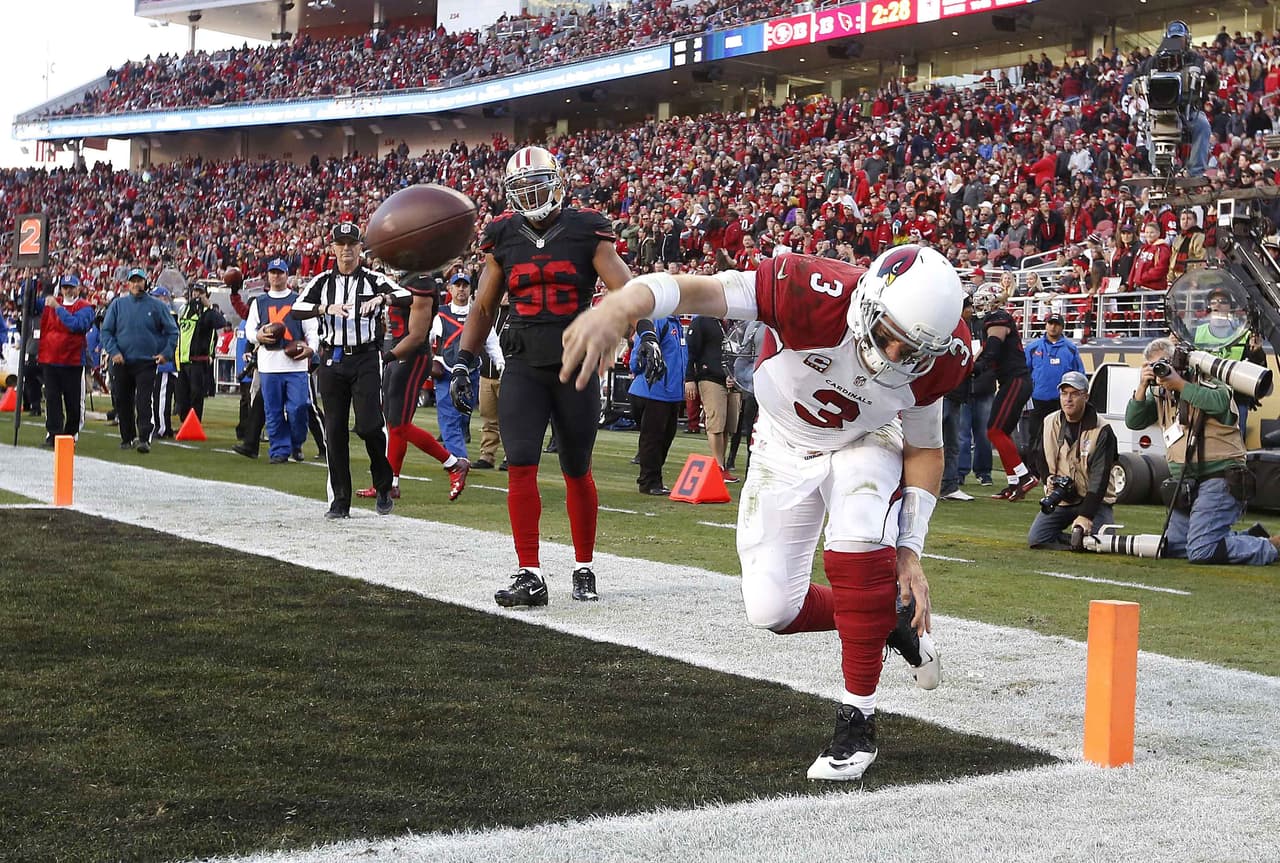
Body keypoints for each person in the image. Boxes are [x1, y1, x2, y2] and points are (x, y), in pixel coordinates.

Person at [560, 244, 970, 782]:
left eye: (912, 349)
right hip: (781, 441)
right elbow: (693, 290)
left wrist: (910, 550)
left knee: (859, 542)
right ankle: (882, 618)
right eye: (889, 334)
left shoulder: (945, 355)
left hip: (866, 440)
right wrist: (620, 307)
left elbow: (925, 449)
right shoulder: (808, 290)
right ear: (867, 302)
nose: (894, 355)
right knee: (772, 609)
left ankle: (858, 720)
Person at [452, 145, 635, 607]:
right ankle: (529, 572)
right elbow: (483, 306)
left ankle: (584, 565)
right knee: (520, 463)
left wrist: (647, 331)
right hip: (523, 363)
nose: (532, 196)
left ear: (558, 182)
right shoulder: (503, 236)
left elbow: (627, 290)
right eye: (523, 188)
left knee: (576, 467)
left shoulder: (584, 229)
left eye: (539, 185)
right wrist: (464, 359)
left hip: (576, 364)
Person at [290, 222, 411, 519]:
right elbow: (297, 309)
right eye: (340, 244)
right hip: (332, 359)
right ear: (332, 248)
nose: (346, 249)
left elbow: (406, 296)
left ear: (360, 248)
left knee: (369, 425)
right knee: (334, 432)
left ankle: (382, 483)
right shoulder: (321, 282)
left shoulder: (373, 279)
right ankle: (340, 500)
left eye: (351, 244)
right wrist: (324, 309)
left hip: (366, 357)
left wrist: (381, 299)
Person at [1125, 337, 1279, 564]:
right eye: (1153, 366)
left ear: (1178, 361)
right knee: (1174, 546)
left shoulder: (1207, 378)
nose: (1161, 370)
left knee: (1201, 551)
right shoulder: (1160, 393)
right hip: (1186, 482)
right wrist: (1142, 386)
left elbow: (1220, 404)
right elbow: (1133, 421)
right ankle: (1248, 538)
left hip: (1221, 476)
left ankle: (1271, 547)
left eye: (1164, 363)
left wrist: (1180, 384)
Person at [356, 271, 471, 501]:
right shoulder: (403, 280)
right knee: (393, 424)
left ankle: (453, 463)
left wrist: (386, 357)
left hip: (411, 357)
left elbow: (417, 336)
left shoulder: (422, 284)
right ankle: (390, 483)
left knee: (400, 426)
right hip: (397, 354)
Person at [1027, 371, 1120, 549]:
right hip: (1063, 499)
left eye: (1074, 394)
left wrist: (1086, 515)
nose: (1068, 399)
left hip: (1093, 499)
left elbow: (1100, 479)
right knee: (1036, 539)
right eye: (1064, 393)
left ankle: (1083, 538)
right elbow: (1040, 456)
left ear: (1086, 396)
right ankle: (1076, 542)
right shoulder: (1049, 422)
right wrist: (1048, 479)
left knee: (1101, 544)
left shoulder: (1102, 430)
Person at [246, 258, 320, 464]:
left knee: (298, 408)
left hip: (294, 362)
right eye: (273, 272)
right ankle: (279, 450)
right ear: (268, 275)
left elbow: (312, 330)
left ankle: (296, 442)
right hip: (269, 362)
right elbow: (250, 330)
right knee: (273, 410)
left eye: (280, 272)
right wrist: (258, 337)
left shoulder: (299, 300)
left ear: (287, 275)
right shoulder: (259, 302)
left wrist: (311, 348)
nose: (276, 276)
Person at [99, 269, 179, 454]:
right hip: (122, 361)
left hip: (146, 362)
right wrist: (113, 351)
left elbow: (172, 331)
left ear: (145, 282)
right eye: (133, 281)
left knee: (144, 401)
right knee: (123, 401)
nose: (136, 284)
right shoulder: (118, 305)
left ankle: (144, 438)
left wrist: (165, 353)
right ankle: (127, 437)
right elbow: (107, 331)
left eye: (139, 281)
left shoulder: (157, 306)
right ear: (128, 284)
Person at [971, 285, 1037, 500]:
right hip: (1011, 381)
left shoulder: (998, 317)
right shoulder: (990, 321)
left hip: (1015, 380)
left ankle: (1024, 476)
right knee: (1000, 432)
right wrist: (970, 366)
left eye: (983, 300)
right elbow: (984, 350)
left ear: (994, 300)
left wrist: (979, 367)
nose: (978, 304)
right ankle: (1013, 483)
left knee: (995, 431)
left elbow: (993, 347)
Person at [432, 272, 502, 459]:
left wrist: (500, 363)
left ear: (470, 289)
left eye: (465, 285)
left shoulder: (478, 314)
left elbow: (491, 341)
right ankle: (458, 460)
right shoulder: (440, 314)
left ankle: (452, 452)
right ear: (450, 288)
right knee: (449, 418)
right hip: (446, 372)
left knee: (463, 416)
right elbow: (426, 339)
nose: (461, 289)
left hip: (470, 373)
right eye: (457, 285)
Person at [1139, 21, 1216, 178]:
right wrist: (1138, 87)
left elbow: (1211, 84)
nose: (1176, 42)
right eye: (1173, 38)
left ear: (1187, 40)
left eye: (1180, 39)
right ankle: (1157, 169)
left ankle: (1195, 171)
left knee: (1203, 126)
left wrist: (1211, 74)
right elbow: (1138, 80)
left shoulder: (1195, 58)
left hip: (1187, 109)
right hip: (1158, 110)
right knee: (1149, 126)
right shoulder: (1154, 61)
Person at [1022, 313, 1086, 481]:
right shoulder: (1033, 347)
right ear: (1045, 325)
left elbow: (1080, 375)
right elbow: (1023, 372)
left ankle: (1061, 470)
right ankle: (1033, 473)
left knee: (1062, 437)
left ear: (1062, 327)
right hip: (1038, 399)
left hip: (1063, 402)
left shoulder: (1070, 349)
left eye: (1056, 324)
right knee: (1035, 436)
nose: (1053, 327)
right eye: (1050, 323)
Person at [628, 313, 686, 495]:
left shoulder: (676, 324)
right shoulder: (659, 321)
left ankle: (654, 479)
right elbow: (639, 355)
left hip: (671, 392)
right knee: (653, 439)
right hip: (653, 390)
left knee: (665, 438)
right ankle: (649, 481)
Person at [36, 275, 95, 446]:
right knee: (52, 399)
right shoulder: (51, 303)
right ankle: (53, 434)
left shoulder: (85, 307)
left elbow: (77, 325)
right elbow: (28, 303)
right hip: (50, 358)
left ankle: (70, 434)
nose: (68, 290)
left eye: (71, 287)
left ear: (78, 289)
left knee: (73, 401)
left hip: (72, 360)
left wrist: (58, 308)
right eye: (65, 287)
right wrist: (31, 280)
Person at [685, 315, 740, 482]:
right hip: (710, 377)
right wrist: (689, 379)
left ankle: (721, 465)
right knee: (716, 423)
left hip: (730, 379)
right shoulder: (702, 321)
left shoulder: (731, 322)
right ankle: (718, 466)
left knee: (727, 426)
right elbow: (691, 352)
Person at [174, 281, 227, 422]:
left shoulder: (208, 313)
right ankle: (184, 422)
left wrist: (208, 305)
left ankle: (193, 424)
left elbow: (221, 322)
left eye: (200, 292)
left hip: (197, 361)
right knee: (181, 396)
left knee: (196, 395)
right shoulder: (184, 309)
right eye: (195, 291)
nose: (196, 295)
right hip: (183, 360)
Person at [473, 294, 511, 470]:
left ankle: (512, 456)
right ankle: (487, 456)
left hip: (508, 374)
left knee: (510, 419)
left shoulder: (516, 315)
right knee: (488, 418)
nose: (504, 296)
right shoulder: (491, 313)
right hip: (486, 374)